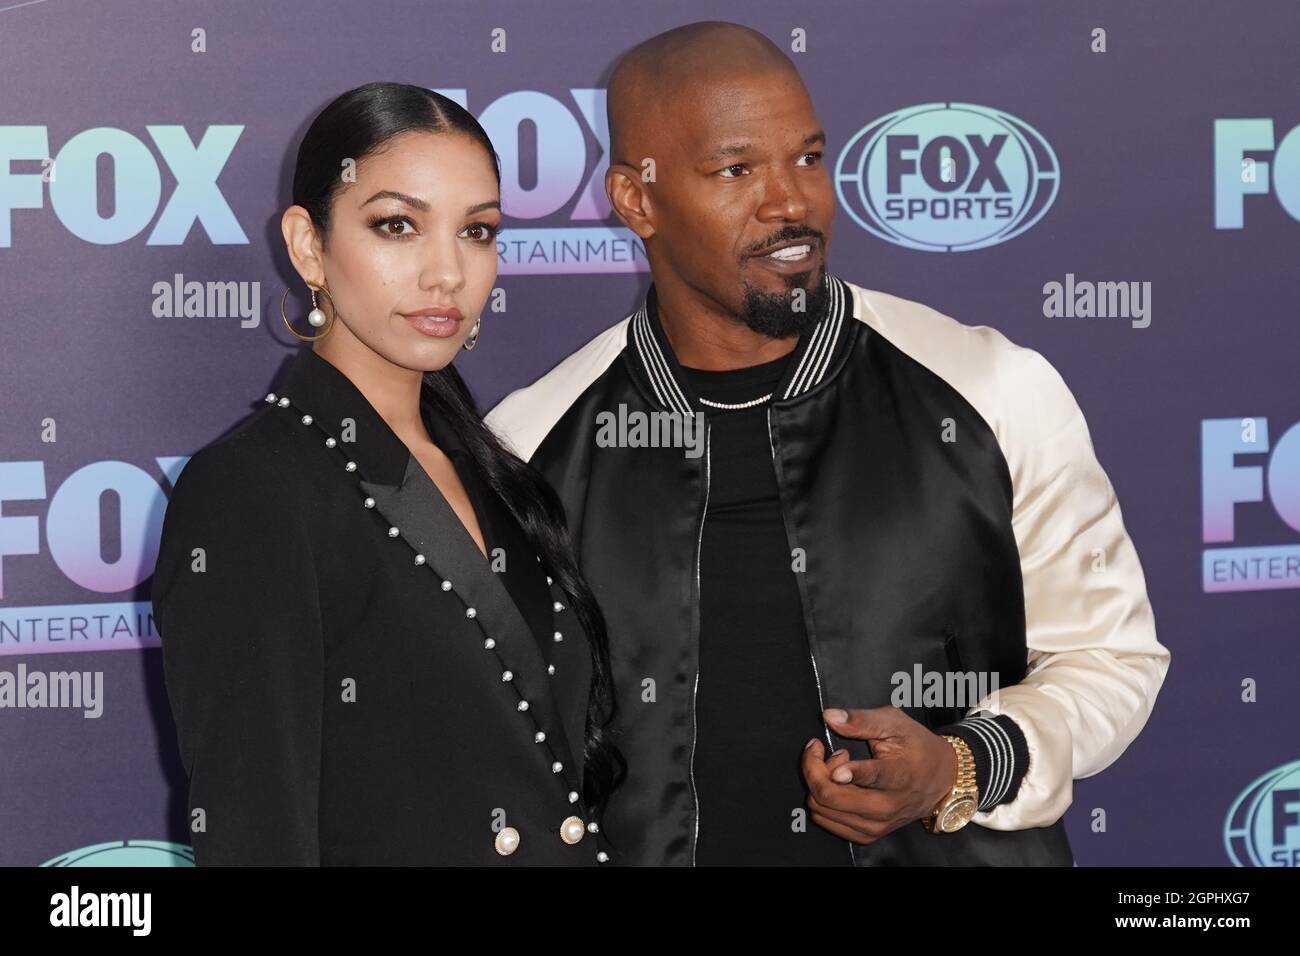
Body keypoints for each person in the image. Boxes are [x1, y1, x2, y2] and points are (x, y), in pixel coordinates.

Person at [486, 23, 1170, 866]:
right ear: (636, 201)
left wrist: (964, 763)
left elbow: (1111, 658)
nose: (791, 204)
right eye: (736, 170)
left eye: (808, 158)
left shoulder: (991, 388)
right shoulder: (530, 445)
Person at [152, 82, 624, 865]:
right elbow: (255, 832)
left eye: (477, 231)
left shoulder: (495, 470)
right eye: (397, 226)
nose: (447, 274)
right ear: (309, 246)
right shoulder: (249, 494)